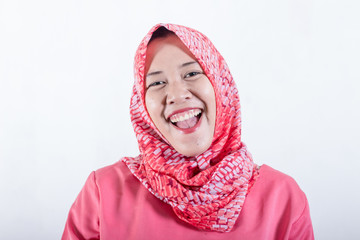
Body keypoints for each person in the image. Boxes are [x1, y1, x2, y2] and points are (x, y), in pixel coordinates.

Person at [62, 23, 314, 240]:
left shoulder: (282, 198)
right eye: (157, 82)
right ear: (141, 103)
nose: (176, 94)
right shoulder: (102, 193)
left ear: (220, 85)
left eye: (192, 73)